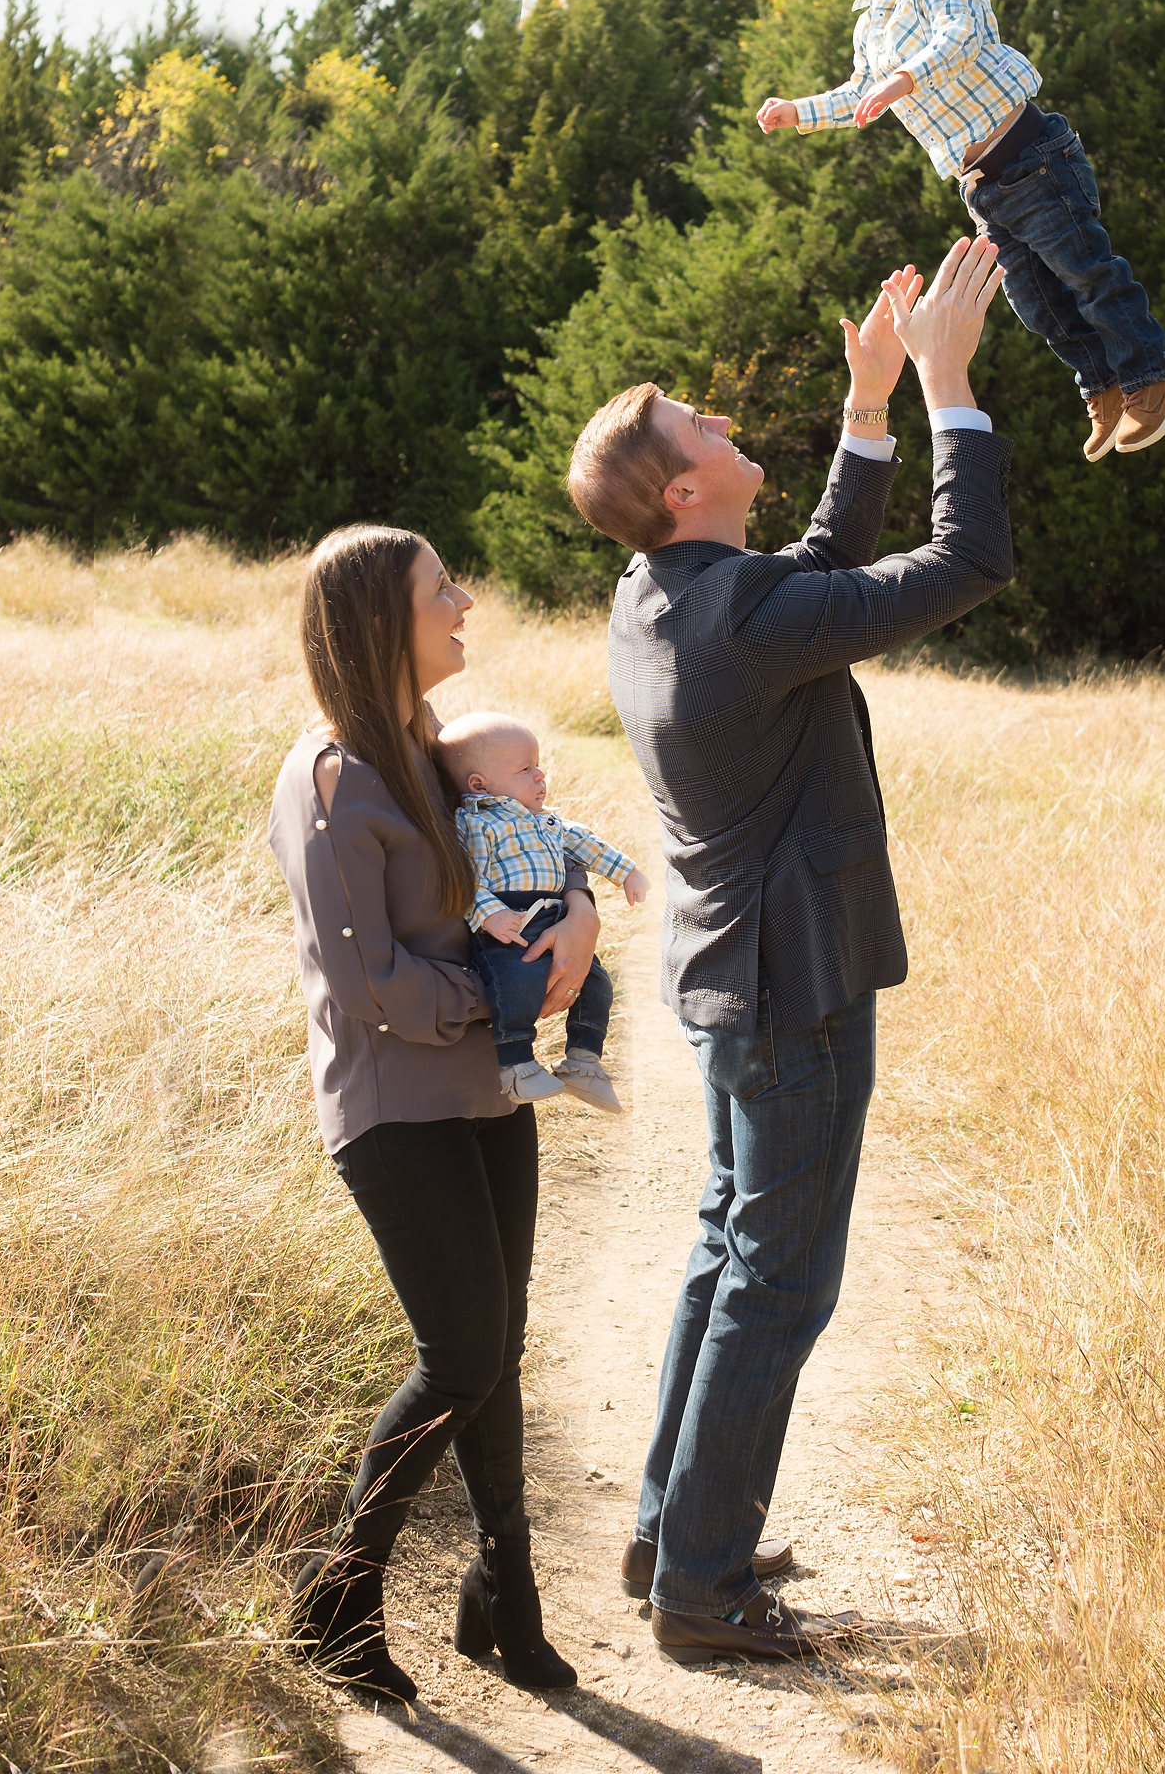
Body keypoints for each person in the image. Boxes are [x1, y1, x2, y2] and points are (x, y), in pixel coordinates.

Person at [567, 237, 1013, 1662]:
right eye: (701, 427)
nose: (722, 421)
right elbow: (968, 561)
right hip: (793, 989)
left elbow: (813, 573)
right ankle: (701, 1587)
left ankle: (668, 1532)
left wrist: (867, 409)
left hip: (729, 978)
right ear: (686, 489)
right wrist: (950, 389)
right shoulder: (741, 620)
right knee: (780, 1282)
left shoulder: (663, 602)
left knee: (726, 1254)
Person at [267, 525, 600, 1702]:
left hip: (482, 1089)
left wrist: (572, 921)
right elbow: (377, 991)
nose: (465, 601)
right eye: (439, 590)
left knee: (496, 1344)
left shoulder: (435, 752)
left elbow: (526, 855)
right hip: (392, 1106)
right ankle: (336, 1599)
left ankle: (504, 1602)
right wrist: (501, 990)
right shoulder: (330, 781)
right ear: (378, 624)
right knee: (461, 1345)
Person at [756, 0, 1165, 464]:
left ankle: (1152, 376)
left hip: (1032, 157)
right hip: (984, 185)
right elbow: (859, 92)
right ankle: (1106, 387)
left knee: (1085, 270)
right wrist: (799, 110)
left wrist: (905, 78)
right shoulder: (871, 21)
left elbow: (957, 38)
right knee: (1035, 299)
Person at [439, 708, 650, 1112]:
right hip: (510, 921)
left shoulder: (548, 822)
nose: (540, 776)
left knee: (597, 983)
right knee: (515, 982)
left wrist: (626, 873)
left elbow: (587, 844)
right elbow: (463, 875)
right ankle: (517, 1065)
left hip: (554, 914)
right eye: (525, 769)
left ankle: (583, 1062)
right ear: (480, 785)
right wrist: (488, 913)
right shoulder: (476, 824)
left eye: (538, 766)